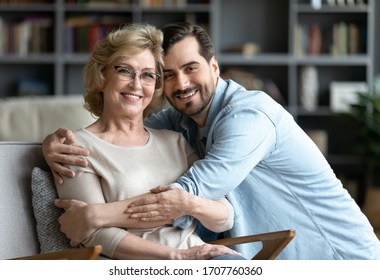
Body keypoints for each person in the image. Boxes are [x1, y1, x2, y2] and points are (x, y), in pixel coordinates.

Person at [43, 22, 380, 260]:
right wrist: (48, 143)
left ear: (215, 67)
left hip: (334, 258)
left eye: (191, 68)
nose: (181, 83)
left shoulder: (248, 117)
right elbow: (124, 128)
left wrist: (94, 217)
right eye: (169, 74)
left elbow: (181, 199)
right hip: (261, 258)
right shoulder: (181, 119)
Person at [53, 22, 243, 260]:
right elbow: (93, 234)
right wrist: (177, 257)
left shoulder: (175, 140)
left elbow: (224, 215)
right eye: (124, 70)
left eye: (148, 75)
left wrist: (187, 204)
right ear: (102, 75)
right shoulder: (73, 148)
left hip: (204, 257)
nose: (136, 84)